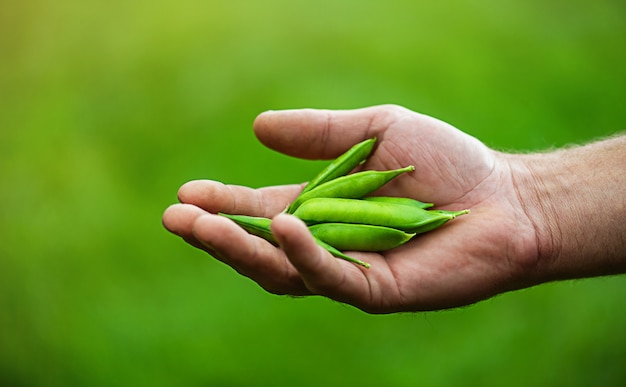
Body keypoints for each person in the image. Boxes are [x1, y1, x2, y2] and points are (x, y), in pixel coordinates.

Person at [162, 105, 626, 313]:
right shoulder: (305, 208)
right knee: (303, 217)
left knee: (308, 218)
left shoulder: (306, 207)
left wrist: (528, 202)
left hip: (387, 215)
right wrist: (530, 202)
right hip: (324, 216)